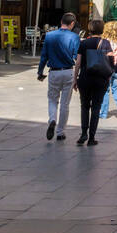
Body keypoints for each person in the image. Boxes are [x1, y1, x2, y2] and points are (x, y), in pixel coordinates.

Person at [38, 12, 80, 141]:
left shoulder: (49, 36)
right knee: (65, 104)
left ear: (61, 21)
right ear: (72, 24)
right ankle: (60, 132)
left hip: (54, 71)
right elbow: (76, 56)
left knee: (52, 99)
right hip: (68, 71)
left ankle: (52, 119)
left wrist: (40, 72)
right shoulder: (74, 37)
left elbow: (44, 56)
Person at [73, 18, 116, 146]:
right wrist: (108, 77)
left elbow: (78, 63)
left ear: (90, 29)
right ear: (102, 29)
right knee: (96, 107)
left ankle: (83, 133)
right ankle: (92, 137)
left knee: (84, 106)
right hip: (100, 79)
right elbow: (111, 61)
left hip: (85, 78)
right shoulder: (106, 43)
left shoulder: (84, 43)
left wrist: (75, 78)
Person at [99, 21, 117, 122]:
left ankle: (103, 113)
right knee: (116, 89)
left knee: (105, 90)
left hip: (106, 68)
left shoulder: (104, 41)